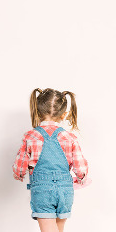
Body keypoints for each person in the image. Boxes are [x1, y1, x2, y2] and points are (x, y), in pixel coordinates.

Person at [13, 88, 89, 232]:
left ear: (37, 111)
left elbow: (20, 164)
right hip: (65, 190)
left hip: (42, 190)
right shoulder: (69, 138)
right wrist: (81, 178)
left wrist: (19, 174)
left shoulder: (31, 136)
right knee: (59, 228)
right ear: (64, 115)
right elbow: (80, 166)